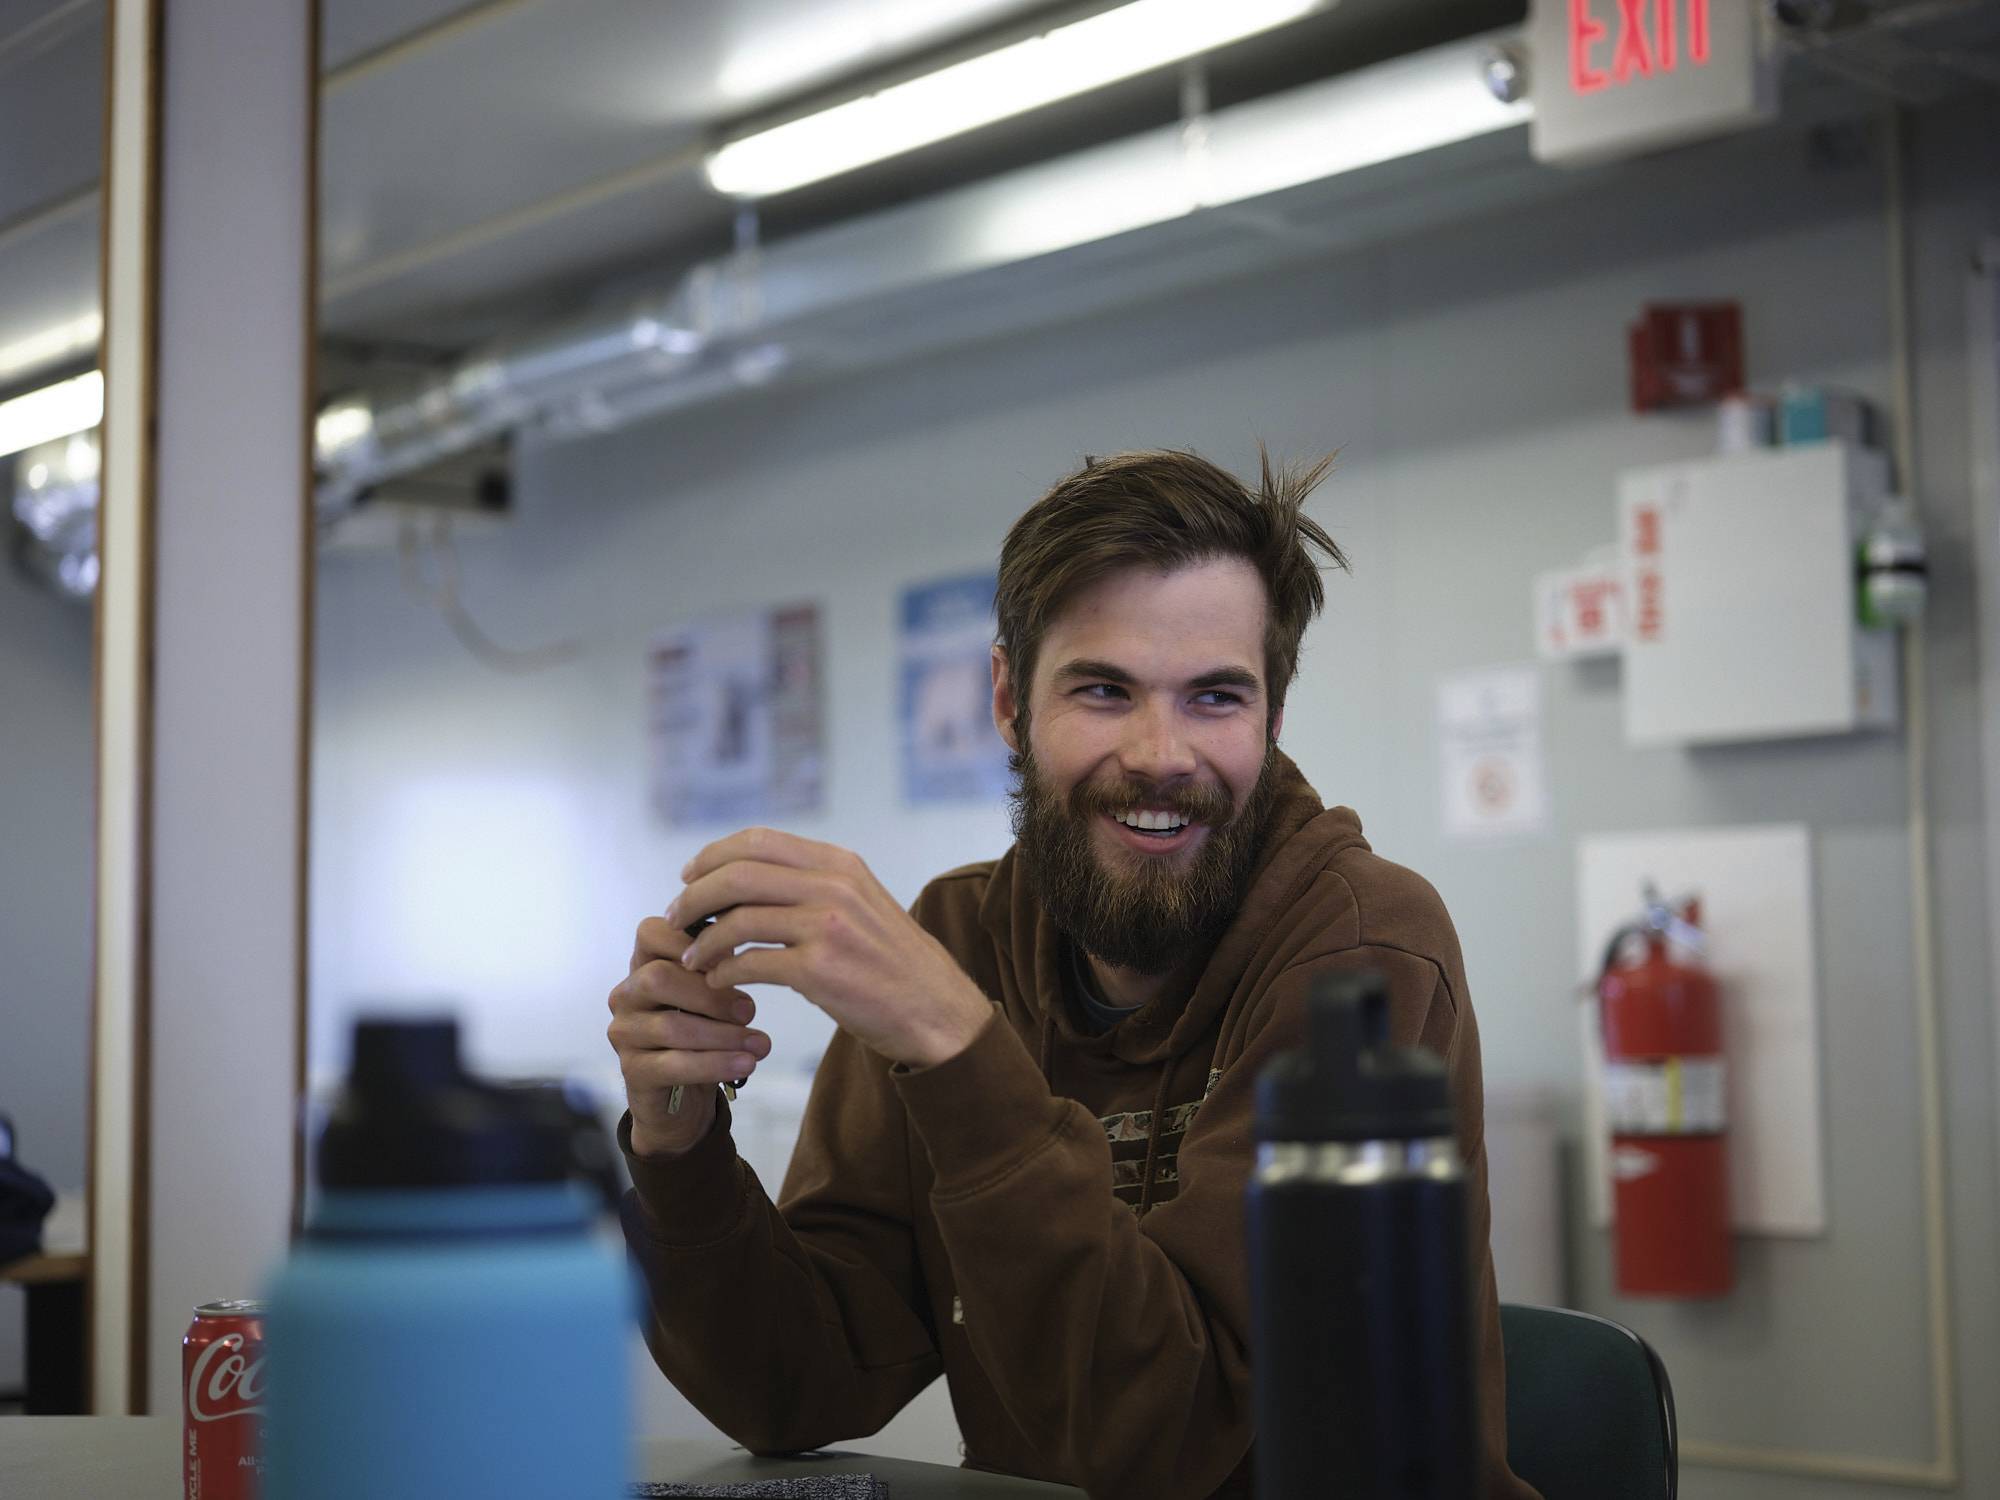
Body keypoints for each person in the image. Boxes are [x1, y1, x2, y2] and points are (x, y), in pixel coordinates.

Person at [607, 449, 1538, 1500]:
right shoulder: (959, 937)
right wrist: (676, 1143)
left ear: (1273, 714)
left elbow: (1166, 1435)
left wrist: (961, 1053)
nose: (1159, 753)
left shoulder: (1358, 951)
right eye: (1103, 689)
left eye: (1214, 697)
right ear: (1009, 699)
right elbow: (797, 1383)